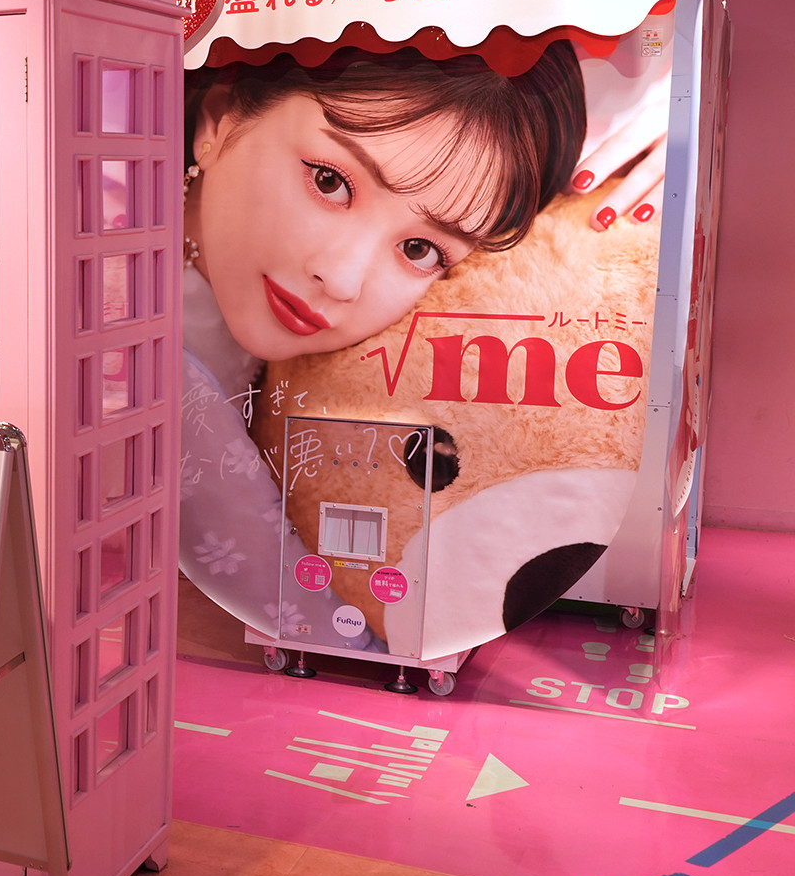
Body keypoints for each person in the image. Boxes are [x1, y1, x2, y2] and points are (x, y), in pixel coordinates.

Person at [178, 43, 587, 651]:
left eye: (420, 250)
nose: (342, 279)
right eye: (330, 181)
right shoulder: (130, 351)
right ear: (218, 120)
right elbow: (320, 632)